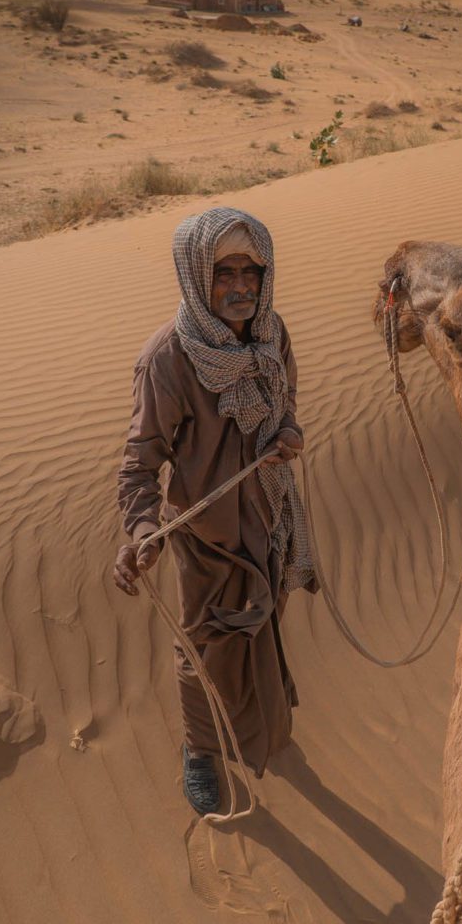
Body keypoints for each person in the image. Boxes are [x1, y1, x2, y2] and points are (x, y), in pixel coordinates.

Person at [113, 207, 315, 815]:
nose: (240, 286)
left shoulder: (272, 334)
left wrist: (288, 433)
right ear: (197, 276)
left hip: (271, 519)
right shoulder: (169, 359)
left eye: (250, 271)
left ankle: (259, 721)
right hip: (207, 537)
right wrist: (146, 530)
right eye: (223, 272)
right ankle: (201, 751)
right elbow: (139, 466)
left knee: (266, 622)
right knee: (201, 648)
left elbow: (286, 403)